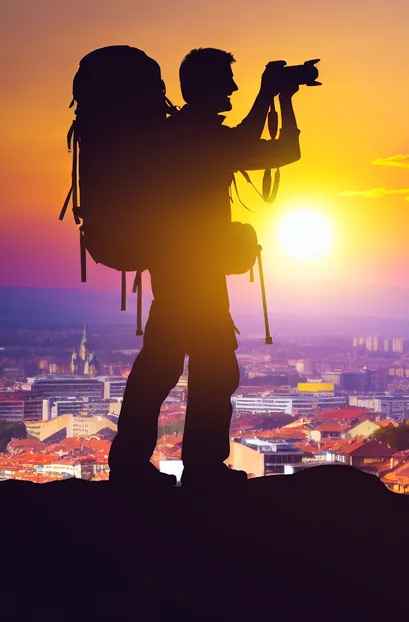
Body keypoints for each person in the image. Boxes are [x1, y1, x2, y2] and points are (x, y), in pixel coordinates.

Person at [109, 48, 301, 488]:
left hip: (175, 271)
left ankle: (132, 464)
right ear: (207, 87)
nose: (233, 88)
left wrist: (273, 96)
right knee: (212, 369)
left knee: (161, 366)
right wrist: (277, 97)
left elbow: (247, 143)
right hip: (196, 276)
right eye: (228, 81)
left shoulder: (176, 136)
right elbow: (281, 150)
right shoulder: (200, 138)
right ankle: (201, 469)